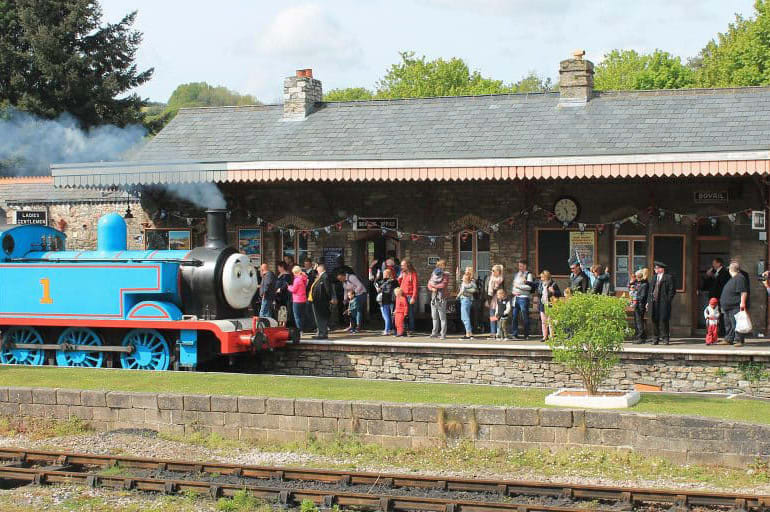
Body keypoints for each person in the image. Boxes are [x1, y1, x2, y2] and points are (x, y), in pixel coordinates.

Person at [720, 261, 749, 347]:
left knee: (736, 323)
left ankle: (738, 340)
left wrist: (742, 303)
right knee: (728, 324)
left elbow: (743, 292)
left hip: (735, 306)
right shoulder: (734, 278)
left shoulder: (740, 278)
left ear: (730, 269)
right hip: (728, 307)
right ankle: (729, 339)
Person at [308, 263, 336, 340]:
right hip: (317, 300)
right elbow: (312, 275)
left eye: (317, 268)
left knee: (321, 318)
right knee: (318, 318)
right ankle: (320, 332)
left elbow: (328, 289)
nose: (317, 269)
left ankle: (323, 334)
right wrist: (314, 268)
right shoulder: (320, 276)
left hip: (321, 301)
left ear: (321, 269)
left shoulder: (325, 276)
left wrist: (329, 299)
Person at [651, 261, 675, 345]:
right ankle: (655, 338)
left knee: (664, 320)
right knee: (654, 319)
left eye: (656, 268)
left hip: (663, 302)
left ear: (661, 269)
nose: (655, 269)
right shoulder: (654, 278)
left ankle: (665, 338)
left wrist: (668, 300)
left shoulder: (668, 277)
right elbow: (651, 290)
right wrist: (648, 302)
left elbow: (672, 290)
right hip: (654, 302)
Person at [703, 258, 729, 335]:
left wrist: (713, 276)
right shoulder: (714, 272)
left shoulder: (724, 272)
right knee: (712, 313)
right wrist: (708, 276)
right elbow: (708, 285)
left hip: (720, 296)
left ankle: (722, 331)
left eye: (714, 263)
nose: (713, 265)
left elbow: (722, 283)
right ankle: (713, 330)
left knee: (720, 313)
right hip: (713, 297)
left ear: (719, 263)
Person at [510, 260, 534, 340]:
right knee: (514, 316)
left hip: (523, 298)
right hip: (516, 298)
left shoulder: (528, 275)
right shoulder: (517, 274)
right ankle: (514, 334)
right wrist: (513, 291)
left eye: (521, 266)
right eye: (519, 266)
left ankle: (526, 334)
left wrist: (518, 286)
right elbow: (514, 285)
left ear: (525, 266)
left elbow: (529, 287)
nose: (519, 267)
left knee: (525, 316)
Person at [536, 270, 561, 341]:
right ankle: (545, 336)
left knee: (550, 321)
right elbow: (539, 292)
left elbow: (559, 293)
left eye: (542, 277)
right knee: (543, 321)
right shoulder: (541, 284)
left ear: (546, 277)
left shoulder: (553, 284)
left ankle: (552, 336)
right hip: (543, 304)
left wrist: (553, 291)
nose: (541, 279)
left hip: (550, 304)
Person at [427, 259, 450, 339]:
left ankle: (443, 334)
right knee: (434, 316)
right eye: (440, 265)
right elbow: (429, 284)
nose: (441, 267)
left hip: (442, 298)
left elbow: (443, 285)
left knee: (442, 317)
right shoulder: (434, 274)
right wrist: (432, 289)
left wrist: (433, 286)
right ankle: (434, 333)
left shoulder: (446, 275)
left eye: (442, 265)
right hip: (433, 298)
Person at [397, 259, 419, 335]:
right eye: (401, 265)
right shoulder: (403, 273)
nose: (401, 267)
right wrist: (400, 278)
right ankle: (404, 329)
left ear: (407, 265)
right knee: (402, 313)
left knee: (410, 314)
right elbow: (401, 284)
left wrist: (413, 297)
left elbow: (415, 286)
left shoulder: (413, 274)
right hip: (402, 296)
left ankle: (411, 330)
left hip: (409, 296)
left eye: (403, 265)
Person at [457, 267, 478, 340]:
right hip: (465, 299)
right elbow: (459, 283)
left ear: (469, 272)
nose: (465, 271)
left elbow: (474, 290)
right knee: (465, 317)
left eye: (466, 270)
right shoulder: (465, 280)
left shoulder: (471, 281)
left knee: (465, 317)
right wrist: (457, 274)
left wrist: (464, 290)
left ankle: (468, 333)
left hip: (466, 299)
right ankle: (469, 333)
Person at [375, 268, 397, 335]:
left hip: (386, 300)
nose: (383, 275)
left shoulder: (387, 282)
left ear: (388, 274)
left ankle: (387, 330)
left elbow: (387, 290)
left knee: (386, 316)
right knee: (390, 316)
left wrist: (380, 289)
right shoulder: (394, 281)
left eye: (384, 273)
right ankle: (391, 329)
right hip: (392, 300)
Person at [287, 265, 308, 334]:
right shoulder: (304, 279)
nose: (293, 275)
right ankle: (303, 329)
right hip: (303, 300)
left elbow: (294, 290)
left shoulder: (297, 280)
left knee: (297, 316)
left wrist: (289, 287)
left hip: (297, 300)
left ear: (296, 272)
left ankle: (300, 330)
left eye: (293, 273)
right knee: (302, 316)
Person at [631, 268, 650, 344]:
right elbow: (631, 286)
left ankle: (641, 337)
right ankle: (642, 336)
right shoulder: (640, 283)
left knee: (639, 321)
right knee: (638, 320)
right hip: (639, 304)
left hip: (640, 305)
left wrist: (636, 300)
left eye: (637, 277)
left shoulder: (644, 284)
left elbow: (642, 296)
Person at [485, 264, 505, 339]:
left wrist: (496, 288)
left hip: (499, 300)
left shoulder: (501, 279)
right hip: (492, 300)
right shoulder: (490, 279)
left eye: (494, 270)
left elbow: (503, 290)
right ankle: (493, 333)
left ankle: (499, 333)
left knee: (499, 317)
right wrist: (487, 299)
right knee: (492, 317)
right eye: (492, 270)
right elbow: (487, 290)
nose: (492, 272)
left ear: (498, 272)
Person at [302, 258, 318, 331]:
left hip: (310, 293)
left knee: (310, 310)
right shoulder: (304, 272)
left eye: (307, 264)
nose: (306, 266)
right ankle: (309, 325)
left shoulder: (313, 272)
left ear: (311, 265)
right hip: (304, 293)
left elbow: (311, 281)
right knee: (307, 310)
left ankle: (312, 326)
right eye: (305, 264)